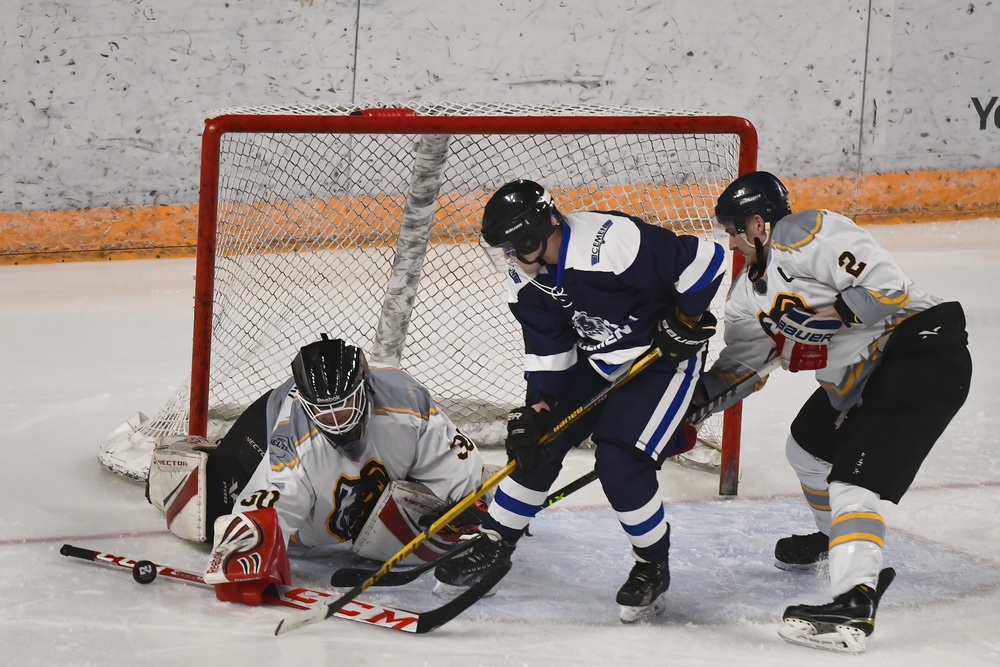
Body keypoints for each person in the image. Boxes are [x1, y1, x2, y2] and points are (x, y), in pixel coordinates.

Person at [698, 171, 972, 653]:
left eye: (733, 228)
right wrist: (688, 408)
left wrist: (835, 315)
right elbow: (741, 367)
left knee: (853, 483)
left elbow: (889, 287)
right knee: (806, 449)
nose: (730, 239)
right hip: (863, 376)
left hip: (920, 350)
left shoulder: (802, 232)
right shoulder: (746, 296)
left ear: (757, 223)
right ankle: (836, 542)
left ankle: (853, 602)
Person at [433, 179, 726, 623]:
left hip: (661, 360)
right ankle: (494, 543)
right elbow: (550, 351)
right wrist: (538, 410)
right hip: (598, 361)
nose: (508, 258)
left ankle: (652, 564)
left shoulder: (611, 243)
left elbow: (707, 260)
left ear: (532, 237)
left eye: (512, 247)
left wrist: (685, 321)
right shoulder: (526, 277)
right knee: (537, 444)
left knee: (619, 463)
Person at [146, 335, 490, 605]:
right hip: (263, 427)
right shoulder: (292, 432)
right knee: (209, 512)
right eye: (324, 413)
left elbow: (452, 457)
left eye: (344, 408)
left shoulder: (405, 398)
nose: (337, 422)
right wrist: (251, 554)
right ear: (307, 405)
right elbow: (274, 492)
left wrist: (468, 506)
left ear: (364, 388)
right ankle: (184, 461)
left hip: (355, 461)